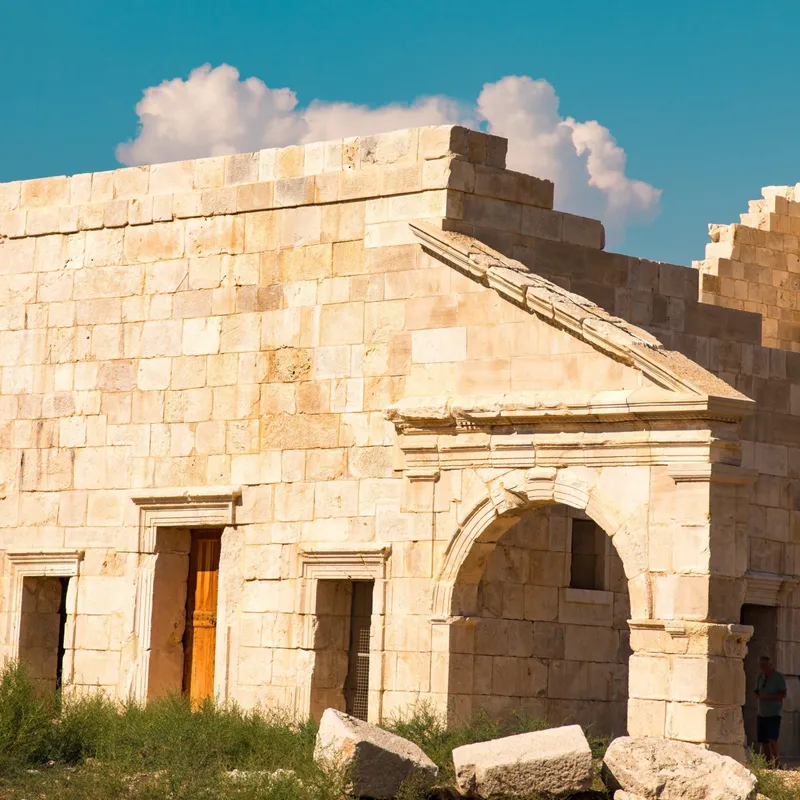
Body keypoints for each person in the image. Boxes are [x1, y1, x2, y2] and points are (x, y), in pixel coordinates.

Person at [753, 655, 787, 765]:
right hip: (762, 712)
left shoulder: (778, 677)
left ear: (770, 665)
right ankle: (768, 763)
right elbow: (756, 690)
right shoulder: (760, 676)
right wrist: (756, 694)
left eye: (764, 665)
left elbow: (783, 694)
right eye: (761, 665)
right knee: (763, 741)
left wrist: (767, 697)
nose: (762, 667)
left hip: (773, 713)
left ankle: (777, 762)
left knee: (772, 739)